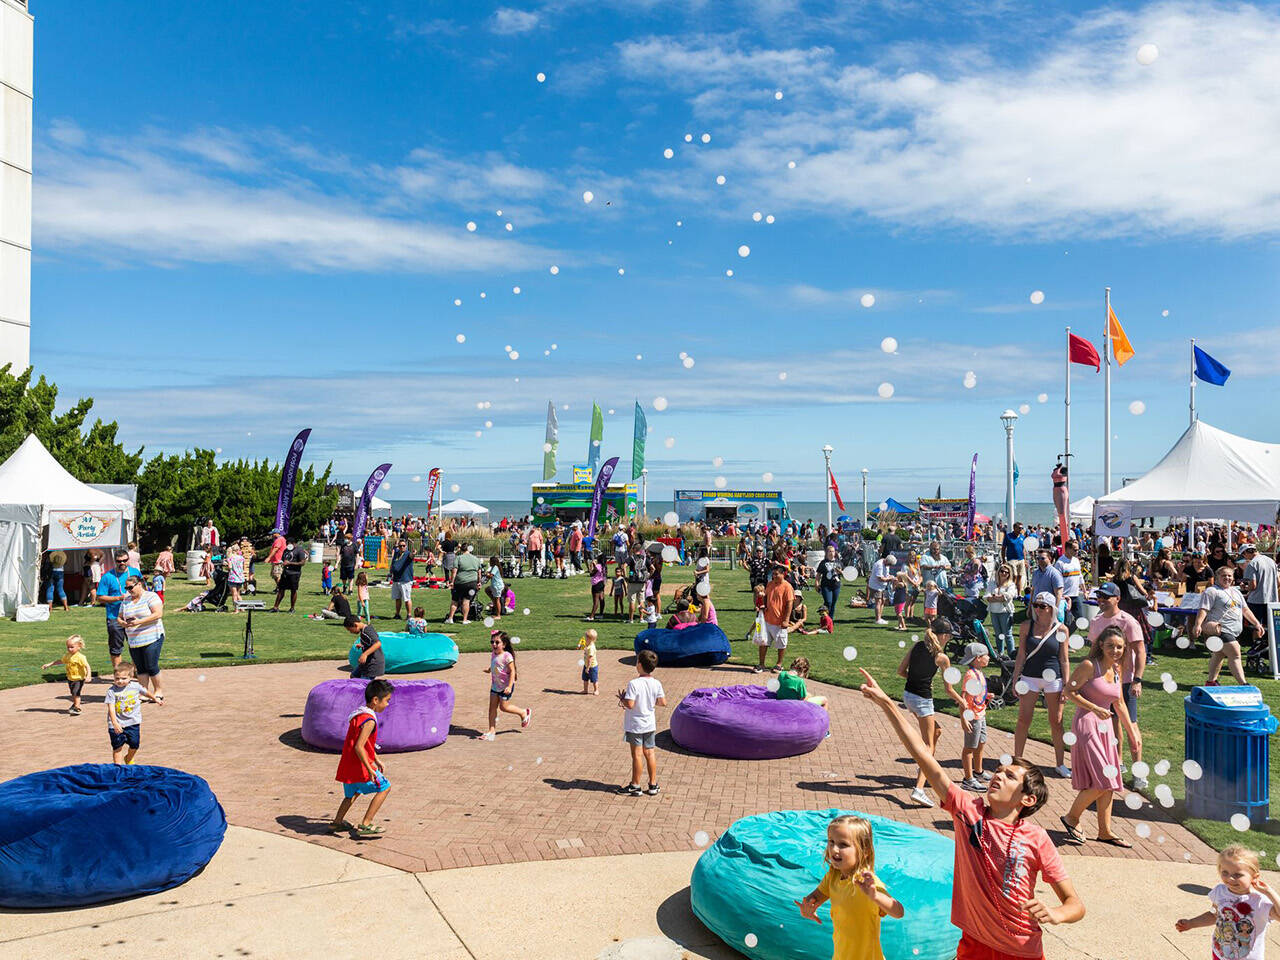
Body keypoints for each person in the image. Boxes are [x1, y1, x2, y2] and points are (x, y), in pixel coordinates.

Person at [857, 667, 1084, 956]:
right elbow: (922, 755)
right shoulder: (967, 810)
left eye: (1009, 776)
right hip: (974, 945)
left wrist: (1055, 913)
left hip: (1021, 950)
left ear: (1027, 800)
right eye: (998, 771)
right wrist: (887, 704)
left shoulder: (1036, 839)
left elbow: (1075, 905)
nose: (997, 776)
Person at [1058, 625, 1141, 850]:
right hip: (1087, 724)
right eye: (1111, 646)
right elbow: (1068, 691)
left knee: (1110, 782)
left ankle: (1104, 831)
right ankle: (1072, 817)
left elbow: (1120, 703)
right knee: (1105, 780)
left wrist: (1132, 733)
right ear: (1101, 645)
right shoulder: (1088, 666)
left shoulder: (1116, 669)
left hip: (1105, 728)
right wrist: (1094, 708)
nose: (1115, 650)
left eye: (1120, 647)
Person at [795, 814, 905, 958]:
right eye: (831, 842)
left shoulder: (867, 883)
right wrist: (807, 909)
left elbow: (898, 912)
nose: (834, 849)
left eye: (843, 845)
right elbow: (814, 899)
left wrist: (875, 896)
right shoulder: (833, 876)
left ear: (864, 851)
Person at [897, 618, 963, 807]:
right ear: (943, 636)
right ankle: (919, 789)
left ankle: (921, 776)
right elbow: (949, 690)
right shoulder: (942, 658)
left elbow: (901, 671)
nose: (949, 639)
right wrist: (963, 703)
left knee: (936, 731)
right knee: (929, 746)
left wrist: (917, 678)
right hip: (922, 701)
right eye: (949, 636)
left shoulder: (917, 646)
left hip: (908, 696)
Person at [1087, 582, 1147, 787]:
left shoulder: (1128, 621)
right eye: (1099, 597)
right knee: (1110, 725)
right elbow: (1093, 652)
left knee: (1131, 727)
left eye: (1106, 597)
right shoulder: (1095, 621)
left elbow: (1141, 652)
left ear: (1117, 599)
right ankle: (1118, 763)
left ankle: (1139, 773)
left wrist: (1137, 680)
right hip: (1103, 682)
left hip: (1125, 682)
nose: (1101, 600)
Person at [1174, 845, 1280, 953]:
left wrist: (1269, 892)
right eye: (1225, 873)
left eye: (1237, 875)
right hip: (1220, 953)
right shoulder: (1220, 891)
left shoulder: (1260, 900)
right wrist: (1191, 923)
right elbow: (1213, 914)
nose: (1230, 878)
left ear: (1255, 877)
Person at [1011, 592, 1071, 778]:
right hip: (1030, 676)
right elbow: (1021, 654)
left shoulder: (1061, 630)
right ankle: (1017, 759)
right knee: (1023, 719)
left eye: (1042, 606)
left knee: (1056, 721)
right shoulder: (1026, 626)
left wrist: (1067, 686)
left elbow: (1064, 659)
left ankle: (1060, 763)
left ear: (1051, 608)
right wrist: (1015, 678)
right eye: (1036, 605)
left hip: (1054, 678)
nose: (1038, 609)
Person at [330, 677, 393, 838]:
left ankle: (337, 822)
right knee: (385, 788)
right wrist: (369, 768)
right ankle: (366, 823)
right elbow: (359, 746)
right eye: (386, 701)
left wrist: (376, 759)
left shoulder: (358, 714)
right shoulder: (369, 720)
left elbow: (363, 744)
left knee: (352, 793)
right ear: (375, 700)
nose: (387, 704)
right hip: (360, 766)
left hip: (348, 764)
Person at [1195, 565, 1262, 686]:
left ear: (1233, 578)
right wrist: (1198, 625)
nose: (1227, 578)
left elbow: (1245, 610)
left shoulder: (1236, 592)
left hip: (1233, 631)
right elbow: (1203, 609)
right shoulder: (1212, 591)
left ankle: (1211, 681)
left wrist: (1257, 623)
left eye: (1229, 575)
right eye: (1224, 575)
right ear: (1217, 577)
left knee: (1219, 654)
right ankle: (1244, 684)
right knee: (1235, 653)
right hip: (1218, 629)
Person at [617, 648, 666, 796]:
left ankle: (635, 785)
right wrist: (649, 701)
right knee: (650, 753)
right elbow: (662, 702)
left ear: (639, 664)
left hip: (635, 724)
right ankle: (653, 784)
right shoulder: (656, 683)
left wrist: (622, 700)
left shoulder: (634, 683)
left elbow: (630, 704)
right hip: (649, 723)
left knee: (637, 754)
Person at [105, 662, 162, 764]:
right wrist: (114, 723)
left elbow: (145, 692)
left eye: (123, 678)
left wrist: (155, 698)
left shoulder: (135, 686)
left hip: (133, 722)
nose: (119, 681)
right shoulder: (111, 691)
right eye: (117, 678)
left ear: (130, 677)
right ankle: (118, 769)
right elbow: (111, 708)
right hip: (117, 724)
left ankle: (129, 758)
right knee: (117, 747)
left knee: (135, 744)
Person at [120, 574, 166, 701]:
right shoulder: (126, 600)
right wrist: (122, 622)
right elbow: (119, 616)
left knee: (151, 665)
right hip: (134, 639)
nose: (128, 590)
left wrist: (139, 621)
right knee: (140, 667)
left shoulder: (151, 596)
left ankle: (158, 691)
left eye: (130, 587)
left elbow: (158, 614)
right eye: (126, 588)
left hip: (152, 637)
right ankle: (144, 692)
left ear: (139, 584)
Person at [481, 631, 531, 740]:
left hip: (505, 687)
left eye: (497, 642)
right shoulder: (493, 654)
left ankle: (523, 712)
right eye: (492, 642)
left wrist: (509, 686)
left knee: (504, 707)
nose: (494, 644)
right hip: (495, 686)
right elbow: (495, 664)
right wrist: (489, 670)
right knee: (492, 708)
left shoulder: (507, 656)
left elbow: (512, 671)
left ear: (503, 645)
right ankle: (491, 731)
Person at [97, 550, 141, 671]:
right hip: (115, 617)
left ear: (128, 559)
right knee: (116, 647)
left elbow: (142, 590)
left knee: (136, 645)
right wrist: (118, 598)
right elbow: (100, 597)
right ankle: (119, 674)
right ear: (115, 561)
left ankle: (136, 671)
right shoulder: (107, 576)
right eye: (119, 561)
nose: (122, 563)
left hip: (134, 615)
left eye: (124, 560)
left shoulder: (135, 573)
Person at [959, 642, 991, 791]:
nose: (989, 658)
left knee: (981, 743)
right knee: (969, 748)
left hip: (981, 713)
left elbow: (976, 693)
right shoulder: (970, 675)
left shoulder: (979, 672)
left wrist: (986, 696)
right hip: (973, 716)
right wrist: (963, 718)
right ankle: (968, 779)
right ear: (978, 658)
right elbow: (963, 698)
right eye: (986, 655)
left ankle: (978, 772)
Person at [756, 564, 795, 674]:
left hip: (780, 622)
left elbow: (789, 604)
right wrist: (762, 606)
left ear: (783, 574)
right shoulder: (770, 584)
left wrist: (786, 620)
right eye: (773, 574)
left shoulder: (787, 587)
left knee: (781, 644)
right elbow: (766, 597)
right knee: (763, 642)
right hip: (767, 620)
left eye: (776, 574)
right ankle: (761, 664)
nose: (774, 576)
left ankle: (779, 664)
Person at [42, 634, 90, 715]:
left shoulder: (80, 657)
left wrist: (88, 675)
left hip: (79, 678)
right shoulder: (67, 655)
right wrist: (50, 664)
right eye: (68, 647)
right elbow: (60, 661)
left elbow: (87, 666)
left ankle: (77, 708)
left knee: (76, 692)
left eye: (72, 647)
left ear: (79, 646)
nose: (69, 649)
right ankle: (75, 704)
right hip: (70, 678)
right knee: (73, 693)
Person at [1241, 543, 1278, 644]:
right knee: (1269, 626)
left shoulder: (1252, 564)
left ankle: (1256, 650)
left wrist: (1245, 587)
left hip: (1256, 600)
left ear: (1245, 553)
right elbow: (1278, 581)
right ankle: (1269, 648)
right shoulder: (1271, 561)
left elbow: (1253, 585)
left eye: (1243, 555)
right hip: (1272, 599)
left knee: (1256, 626)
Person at [985, 564, 1018, 658]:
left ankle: (1012, 654)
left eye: (1006, 572)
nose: (1003, 573)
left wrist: (994, 597)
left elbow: (1008, 596)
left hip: (1005, 612)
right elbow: (987, 596)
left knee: (1007, 634)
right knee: (998, 634)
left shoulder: (1011, 584)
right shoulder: (992, 583)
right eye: (1001, 571)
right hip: (994, 611)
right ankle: (1000, 654)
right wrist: (999, 598)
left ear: (1009, 574)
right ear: (998, 572)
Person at [446, 543, 482, 624]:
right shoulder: (476, 559)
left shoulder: (458, 558)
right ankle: (464, 620)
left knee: (455, 600)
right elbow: (479, 573)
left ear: (461, 550)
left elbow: (454, 571)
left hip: (460, 582)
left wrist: (452, 582)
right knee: (467, 601)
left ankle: (450, 618)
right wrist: (479, 582)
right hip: (472, 582)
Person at [271, 538, 307, 613]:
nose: (287, 545)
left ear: (293, 543)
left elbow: (302, 563)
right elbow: (283, 560)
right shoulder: (286, 550)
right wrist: (281, 563)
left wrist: (290, 563)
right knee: (281, 590)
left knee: (293, 591)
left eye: (288, 544)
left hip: (294, 574)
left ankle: (292, 608)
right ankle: (275, 607)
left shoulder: (299, 550)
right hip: (285, 573)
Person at [344, 614, 384, 679]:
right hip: (367, 662)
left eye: (350, 630)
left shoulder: (367, 631)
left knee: (364, 683)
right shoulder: (364, 631)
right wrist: (363, 645)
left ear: (355, 625)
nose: (350, 632)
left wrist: (364, 654)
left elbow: (377, 643)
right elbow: (370, 642)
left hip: (373, 663)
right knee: (354, 676)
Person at [1055, 539, 1085, 625]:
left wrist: (1084, 591)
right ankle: (1064, 637)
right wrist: (1060, 596)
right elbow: (1056, 581)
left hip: (1075, 595)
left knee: (1081, 619)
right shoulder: (1060, 563)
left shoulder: (1076, 560)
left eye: (1078, 549)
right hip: (1064, 597)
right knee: (1066, 622)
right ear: (1067, 549)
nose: (1077, 552)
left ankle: (1067, 635)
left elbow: (1080, 576)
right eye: (1075, 550)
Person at [1029, 550, 1064, 617]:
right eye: (1038, 558)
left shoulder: (1054, 573)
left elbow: (1058, 594)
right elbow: (1033, 591)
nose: (1039, 560)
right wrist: (1030, 607)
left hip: (1048, 608)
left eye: (1042, 558)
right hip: (1036, 607)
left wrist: (1055, 611)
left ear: (1049, 559)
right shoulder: (1035, 573)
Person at [815, 544, 843, 624]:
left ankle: (830, 620)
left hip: (836, 586)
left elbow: (843, 573)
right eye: (830, 551)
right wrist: (816, 583)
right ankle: (824, 617)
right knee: (828, 602)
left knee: (833, 603)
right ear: (826, 553)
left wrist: (840, 572)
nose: (831, 553)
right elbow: (818, 575)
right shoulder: (823, 563)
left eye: (833, 551)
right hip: (826, 585)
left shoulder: (838, 562)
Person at [867, 554, 896, 625]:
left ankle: (879, 617)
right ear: (887, 561)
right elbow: (880, 578)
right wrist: (889, 579)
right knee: (878, 602)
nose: (890, 566)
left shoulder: (886, 565)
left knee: (883, 601)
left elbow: (886, 575)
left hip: (882, 586)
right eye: (890, 564)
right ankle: (877, 619)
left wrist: (890, 576)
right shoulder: (879, 565)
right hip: (876, 586)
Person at [389, 539, 414, 621]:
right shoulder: (396, 553)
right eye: (400, 546)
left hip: (405, 580)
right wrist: (390, 572)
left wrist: (413, 549)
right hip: (396, 579)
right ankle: (397, 614)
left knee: (407, 598)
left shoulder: (407, 554)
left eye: (403, 546)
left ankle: (409, 615)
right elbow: (393, 564)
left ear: (406, 546)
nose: (402, 547)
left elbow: (412, 555)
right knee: (397, 598)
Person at [624, 542, 649, 623]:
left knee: (632, 601)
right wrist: (648, 577)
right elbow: (652, 568)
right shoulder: (644, 558)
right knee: (641, 600)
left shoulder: (631, 558)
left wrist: (625, 577)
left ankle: (630, 619)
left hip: (633, 581)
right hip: (642, 581)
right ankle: (641, 618)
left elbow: (624, 566)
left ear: (634, 549)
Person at [1002, 522, 1027, 593]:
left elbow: (1023, 549)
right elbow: (1003, 548)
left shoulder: (1022, 537)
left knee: (1019, 577)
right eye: (1019, 528)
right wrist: (1003, 559)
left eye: (1021, 528)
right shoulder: (1008, 536)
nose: (1020, 529)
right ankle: (1011, 591)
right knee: (1014, 576)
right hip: (1011, 560)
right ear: (1014, 528)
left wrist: (1025, 560)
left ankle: (1018, 594)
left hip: (1021, 559)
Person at [483, 554, 505, 620]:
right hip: (495, 585)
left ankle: (498, 615)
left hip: (497, 585)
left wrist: (486, 574)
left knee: (497, 600)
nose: (489, 562)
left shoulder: (495, 567)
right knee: (487, 590)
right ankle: (494, 602)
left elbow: (491, 576)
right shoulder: (493, 567)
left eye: (490, 561)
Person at [578, 628, 599, 695]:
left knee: (594, 679)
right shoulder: (588, 645)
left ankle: (596, 690)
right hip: (586, 665)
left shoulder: (591, 648)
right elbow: (585, 648)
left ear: (590, 639)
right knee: (585, 679)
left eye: (586, 638)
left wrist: (588, 668)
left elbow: (590, 659)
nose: (585, 639)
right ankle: (585, 690)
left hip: (592, 666)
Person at [587, 554, 606, 621]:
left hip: (596, 584)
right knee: (601, 599)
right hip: (601, 583)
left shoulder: (598, 566)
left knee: (595, 601)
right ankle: (601, 614)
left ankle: (591, 616)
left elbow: (592, 574)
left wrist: (590, 566)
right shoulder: (604, 566)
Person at [227, 542, 246, 608]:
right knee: (238, 594)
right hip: (240, 577)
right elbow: (243, 567)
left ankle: (236, 609)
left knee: (234, 594)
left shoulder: (230, 558)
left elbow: (230, 567)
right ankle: (242, 608)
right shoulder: (241, 558)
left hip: (233, 577)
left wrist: (227, 568)